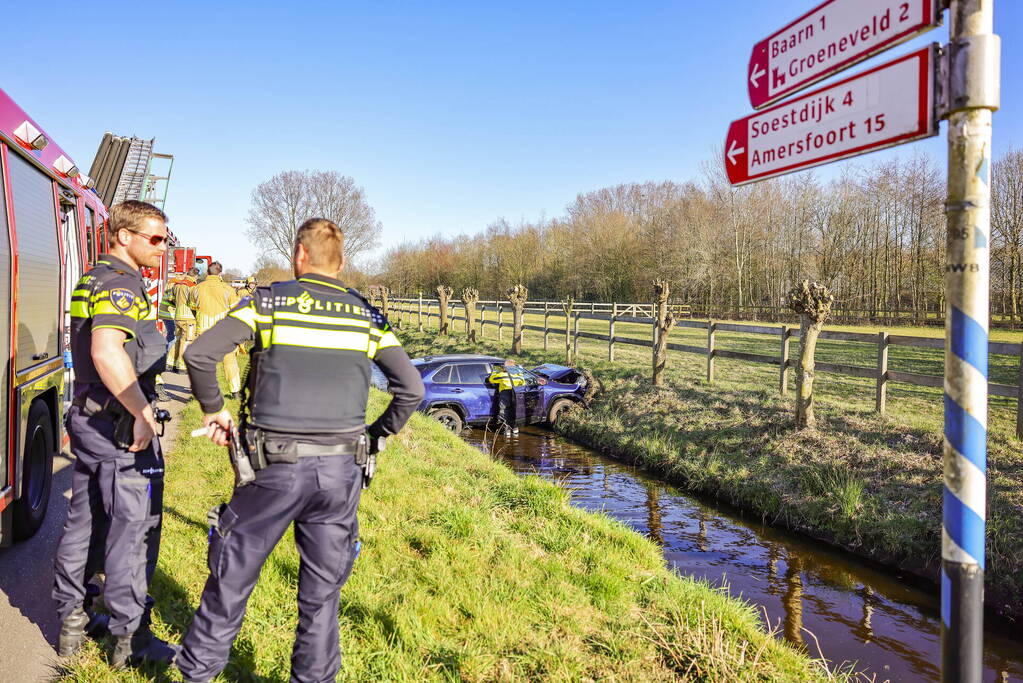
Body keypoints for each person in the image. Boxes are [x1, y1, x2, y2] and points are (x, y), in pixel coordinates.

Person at [175, 218, 424, 683]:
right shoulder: (367, 317)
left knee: (232, 578)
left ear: (298, 256)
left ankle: (198, 675)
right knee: (323, 595)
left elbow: (199, 354)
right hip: (341, 473)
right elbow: (411, 389)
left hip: (272, 468)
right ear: (343, 262)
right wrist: (375, 436)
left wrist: (215, 411)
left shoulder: (267, 304)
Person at [52, 200, 177, 667]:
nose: (163, 248)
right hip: (117, 425)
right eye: (155, 238)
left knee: (86, 522)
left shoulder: (92, 277)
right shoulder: (121, 285)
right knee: (133, 531)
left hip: (90, 419)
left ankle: (73, 622)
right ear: (123, 235)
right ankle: (131, 644)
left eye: (166, 239)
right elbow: (107, 352)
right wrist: (142, 412)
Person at [192, 261, 241, 398]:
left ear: (207, 273)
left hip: (203, 331)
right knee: (230, 362)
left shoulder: (196, 288)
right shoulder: (228, 289)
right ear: (220, 274)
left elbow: (193, 306)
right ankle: (235, 392)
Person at [167, 267, 199, 372]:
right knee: (187, 341)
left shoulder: (177, 285)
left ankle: (170, 362)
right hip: (189, 317)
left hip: (177, 316)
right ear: (195, 276)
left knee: (178, 339)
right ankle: (182, 366)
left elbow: (171, 299)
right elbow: (193, 304)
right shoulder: (193, 286)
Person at [487, 360, 526, 435]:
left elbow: (491, 379)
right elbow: (523, 383)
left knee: (504, 410)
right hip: (516, 394)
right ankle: (515, 429)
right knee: (514, 410)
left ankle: (506, 429)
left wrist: (495, 371)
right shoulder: (518, 376)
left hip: (505, 393)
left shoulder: (502, 375)